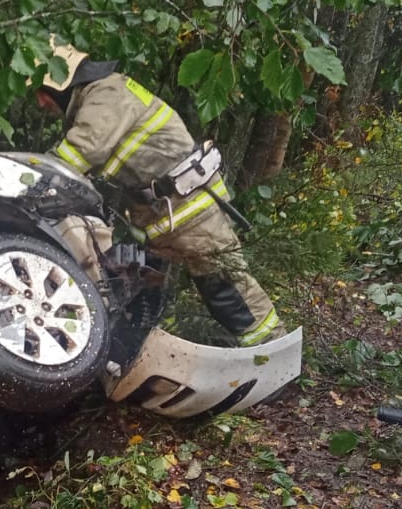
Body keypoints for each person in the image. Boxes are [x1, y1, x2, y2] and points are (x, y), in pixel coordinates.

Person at [32, 42, 283, 345]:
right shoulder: (98, 99)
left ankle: (272, 350)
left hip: (189, 209)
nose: (41, 104)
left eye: (41, 93)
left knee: (226, 287)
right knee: (154, 296)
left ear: (59, 81)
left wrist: (31, 182)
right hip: (167, 217)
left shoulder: (105, 95)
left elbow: (79, 155)